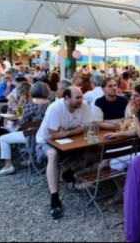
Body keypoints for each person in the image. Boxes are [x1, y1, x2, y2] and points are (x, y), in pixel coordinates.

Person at [35, 86, 92, 219]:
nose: (81, 100)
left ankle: (68, 173)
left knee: (95, 153)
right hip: (45, 141)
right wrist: (76, 129)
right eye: (77, 97)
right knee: (53, 155)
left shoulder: (83, 105)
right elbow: (52, 134)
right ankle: (55, 198)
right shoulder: (55, 107)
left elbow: (88, 127)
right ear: (66, 98)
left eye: (81, 96)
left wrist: (66, 132)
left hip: (69, 139)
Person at [0, 82, 51, 175]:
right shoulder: (51, 104)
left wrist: (21, 104)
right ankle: (28, 157)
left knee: (2, 138)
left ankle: (8, 165)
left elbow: (21, 122)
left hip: (31, 137)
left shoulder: (30, 106)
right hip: (47, 136)